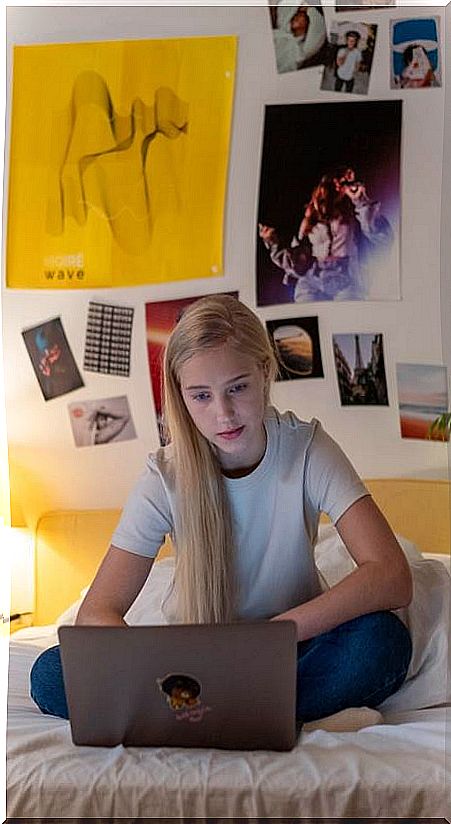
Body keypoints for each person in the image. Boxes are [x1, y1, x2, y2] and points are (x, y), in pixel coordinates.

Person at [30, 295, 412, 730]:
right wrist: (150, 668)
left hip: (291, 648)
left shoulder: (307, 449)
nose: (223, 413)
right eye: (201, 396)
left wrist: (275, 633)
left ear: (264, 373)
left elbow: (390, 574)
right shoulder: (163, 477)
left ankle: (202, 718)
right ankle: (265, 713)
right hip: (188, 668)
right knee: (50, 672)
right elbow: (97, 612)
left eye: (238, 387)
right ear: (182, 396)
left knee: (382, 642)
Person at [259, 164, 393, 302]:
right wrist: (273, 243)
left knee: (347, 315)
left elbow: (380, 237)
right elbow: (295, 261)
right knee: (308, 312)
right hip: (313, 279)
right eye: (334, 181)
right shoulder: (309, 219)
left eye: (342, 181)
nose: (337, 185)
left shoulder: (354, 212)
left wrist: (361, 200)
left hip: (347, 278)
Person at [273, 2, 329, 74]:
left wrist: (309, 9)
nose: (295, 17)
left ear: (309, 22)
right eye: (296, 14)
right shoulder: (282, 32)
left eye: (301, 16)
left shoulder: (301, 50)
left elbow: (319, 27)